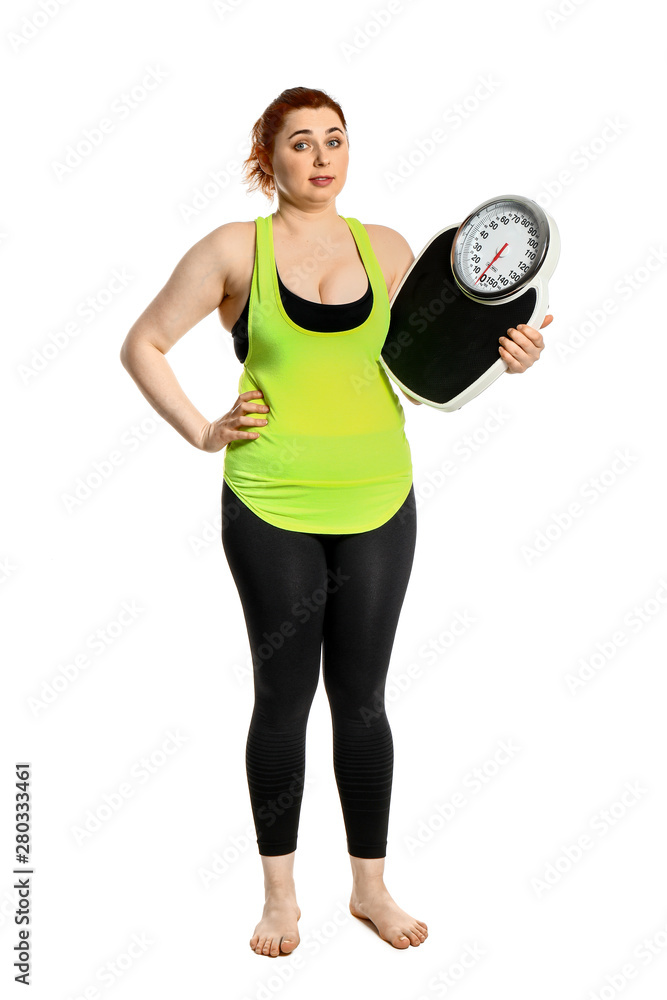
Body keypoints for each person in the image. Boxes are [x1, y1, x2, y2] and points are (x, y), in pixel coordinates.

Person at [120, 86, 551, 959]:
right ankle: (280, 899)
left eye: (335, 141)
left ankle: (368, 888)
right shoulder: (232, 250)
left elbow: (435, 363)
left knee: (362, 704)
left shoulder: (388, 249)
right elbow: (143, 343)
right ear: (265, 160)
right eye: (300, 143)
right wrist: (205, 429)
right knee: (283, 700)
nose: (320, 157)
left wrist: (512, 355)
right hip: (270, 503)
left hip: (380, 500)